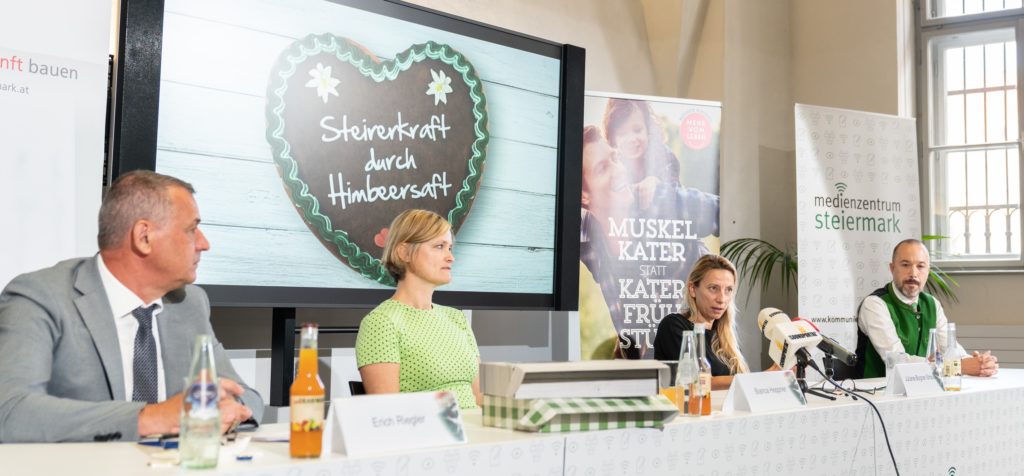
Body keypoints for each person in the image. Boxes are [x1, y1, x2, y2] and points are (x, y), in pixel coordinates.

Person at [0, 170, 263, 443]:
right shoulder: (41, 297)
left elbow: (245, 396)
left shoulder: (190, 303)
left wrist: (229, 408)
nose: (204, 244)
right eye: (191, 230)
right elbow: (9, 412)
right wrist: (151, 417)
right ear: (144, 237)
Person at [579, 125, 719, 359]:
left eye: (615, 158)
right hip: (645, 375)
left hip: (701, 365)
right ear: (583, 196)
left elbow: (729, 213)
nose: (619, 171)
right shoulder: (589, 240)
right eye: (603, 168)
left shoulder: (663, 201)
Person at [355, 209, 482, 409]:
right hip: (432, 438)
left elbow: (479, 398)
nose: (451, 258)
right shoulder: (381, 322)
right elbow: (389, 412)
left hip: (479, 435)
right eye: (439, 246)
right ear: (404, 252)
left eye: (450, 248)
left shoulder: (457, 318)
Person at [856, 238, 999, 378]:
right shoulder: (875, 304)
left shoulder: (932, 304)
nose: (913, 273)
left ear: (928, 271)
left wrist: (980, 363)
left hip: (921, 388)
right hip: (875, 393)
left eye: (920, 266)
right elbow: (897, 362)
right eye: (905, 265)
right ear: (892, 268)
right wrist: (959, 366)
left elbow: (950, 349)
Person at [653, 254, 750, 390]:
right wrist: (753, 379)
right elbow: (697, 382)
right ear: (693, 289)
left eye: (728, 290)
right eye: (713, 288)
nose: (721, 299)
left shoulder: (725, 336)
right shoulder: (674, 326)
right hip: (687, 410)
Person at [602, 98, 681, 211]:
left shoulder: (664, 155)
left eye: (637, 130)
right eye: (622, 133)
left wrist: (656, 181)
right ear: (613, 139)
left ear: (648, 129)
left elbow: (675, 193)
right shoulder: (614, 164)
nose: (631, 139)